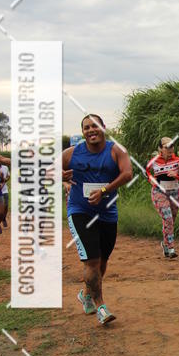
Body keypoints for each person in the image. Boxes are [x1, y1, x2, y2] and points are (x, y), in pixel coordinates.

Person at [62, 114, 133, 325]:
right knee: (92, 260)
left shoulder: (116, 150)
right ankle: (101, 306)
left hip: (107, 213)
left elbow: (127, 173)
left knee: (102, 261)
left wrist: (104, 190)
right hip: (79, 210)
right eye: (86, 128)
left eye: (94, 126)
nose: (91, 130)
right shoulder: (71, 153)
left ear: (103, 127)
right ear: (83, 132)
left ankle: (86, 294)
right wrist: (60, 176)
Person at [146, 136, 179, 258]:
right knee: (168, 218)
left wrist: (177, 176)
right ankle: (171, 248)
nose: (170, 149)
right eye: (167, 146)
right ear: (160, 148)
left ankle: (165, 243)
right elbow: (147, 172)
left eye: (172, 145)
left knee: (171, 220)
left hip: (175, 192)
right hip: (159, 192)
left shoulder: (178, 160)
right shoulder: (154, 161)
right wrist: (153, 181)